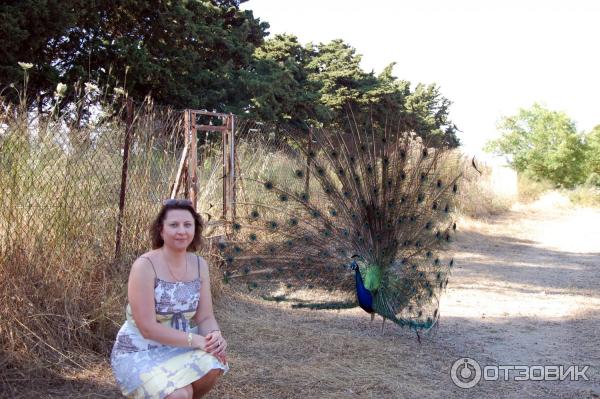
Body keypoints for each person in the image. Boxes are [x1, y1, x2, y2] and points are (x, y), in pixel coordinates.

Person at [111, 199, 229, 398]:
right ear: (161, 229)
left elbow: (205, 318)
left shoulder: (200, 265)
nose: (181, 231)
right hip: (140, 350)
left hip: (179, 344)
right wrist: (196, 341)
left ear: (195, 230)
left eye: (187, 225)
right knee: (180, 394)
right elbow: (147, 328)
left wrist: (214, 337)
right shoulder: (145, 265)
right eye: (173, 225)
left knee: (213, 365)